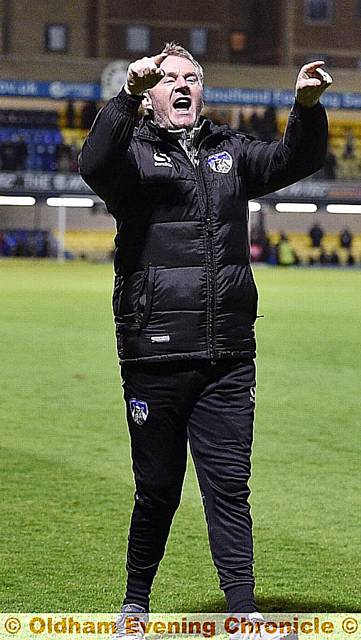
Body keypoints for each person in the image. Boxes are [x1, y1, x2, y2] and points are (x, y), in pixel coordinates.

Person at [79, 42, 331, 622]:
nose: (183, 85)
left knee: (229, 491)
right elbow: (92, 164)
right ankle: (135, 607)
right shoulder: (131, 157)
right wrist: (125, 95)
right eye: (170, 79)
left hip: (228, 354)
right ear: (151, 97)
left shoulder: (230, 151)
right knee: (159, 491)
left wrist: (307, 106)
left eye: (191, 77)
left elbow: (295, 160)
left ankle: (242, 616)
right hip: (156, 353)